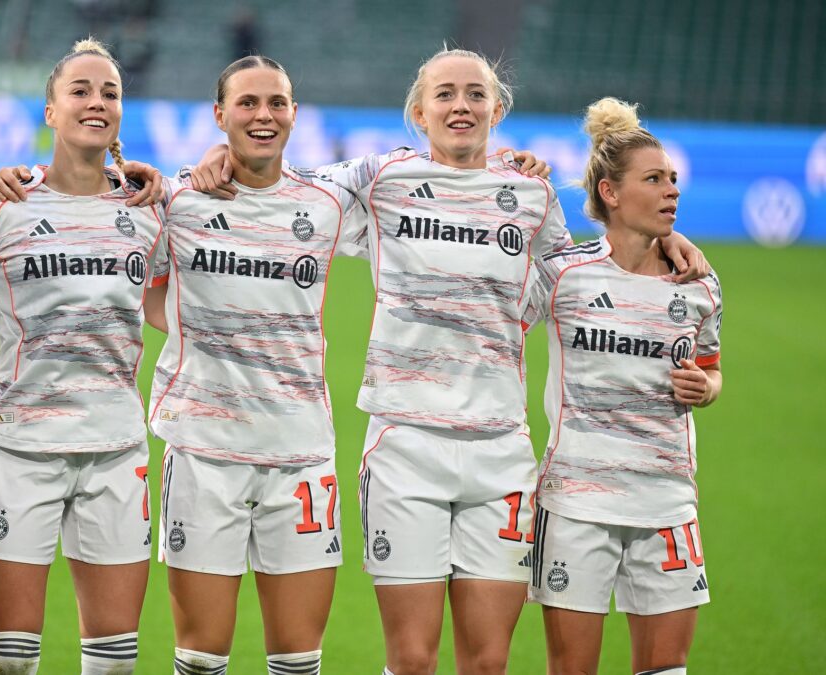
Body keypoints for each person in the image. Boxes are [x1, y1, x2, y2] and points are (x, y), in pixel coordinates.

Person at [187, 48, 708, 675]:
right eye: (445, 94)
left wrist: (657, 237)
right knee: (411, 660)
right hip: (406, 444)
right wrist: (225, 158)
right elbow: (283, 184)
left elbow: (578, 276)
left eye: (475, 93)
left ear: (496, 108)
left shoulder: (533, 194)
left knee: (487, 664)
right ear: (419, 110)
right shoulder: (379, 179)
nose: (460, 105)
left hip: (499, 452)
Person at [0, 53, 366, 675]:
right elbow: (145, 290)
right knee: (198, 661)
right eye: (247, 103)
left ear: (295, 114)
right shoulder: (173, 200)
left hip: (302, 452)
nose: (263, 115)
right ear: (220, 116)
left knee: (298, 664)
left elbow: (419, 192)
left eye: (276, 103)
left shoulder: (327, 204)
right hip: (200, 450)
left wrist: (509, 165)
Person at [0, 38, 167, 675]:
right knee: (14, 661)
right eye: (80, 90)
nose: (96, 102)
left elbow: (176, 309)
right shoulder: (1, 207)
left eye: (109, 93)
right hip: (20, 448)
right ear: (50, 110)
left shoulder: (149, 208)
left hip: (116, 447)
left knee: (115, 663)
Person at [525, 97, 721, 675]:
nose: (671, 192)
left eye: (673, 180)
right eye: (654, 179)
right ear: (610, 193)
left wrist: (707, 389)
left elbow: (711, 369)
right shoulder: (564, 276)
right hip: (575, 501)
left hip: (667, 501)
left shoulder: (701, 286)